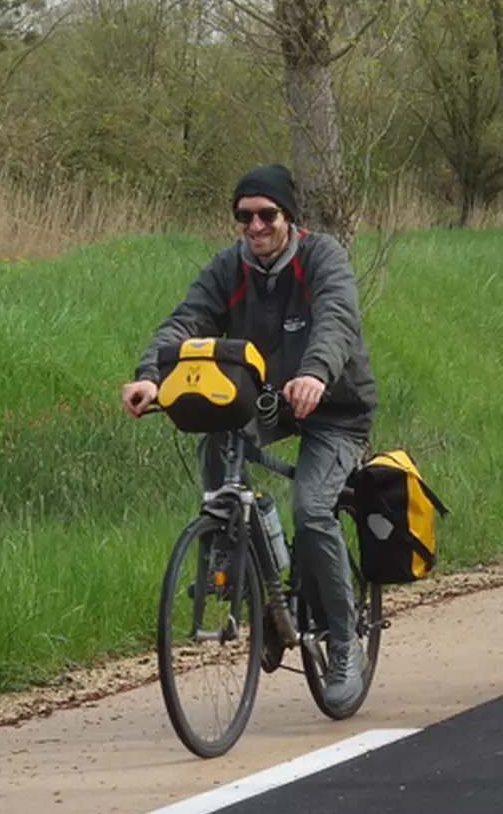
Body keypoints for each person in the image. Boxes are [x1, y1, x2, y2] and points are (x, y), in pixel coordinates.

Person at [120, 163, 377, 712]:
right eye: (244, 216)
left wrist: (315, 373)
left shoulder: (322, 257)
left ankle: (341, 641)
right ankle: (229, 561)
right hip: (266, 400)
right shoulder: (228, 267)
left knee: (311, 511)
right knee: (214, 430)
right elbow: (185, 322)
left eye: (266, 215)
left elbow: (336, 318)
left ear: (289, 217)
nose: (255, 226)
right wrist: (150, 376)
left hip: (333, 403)